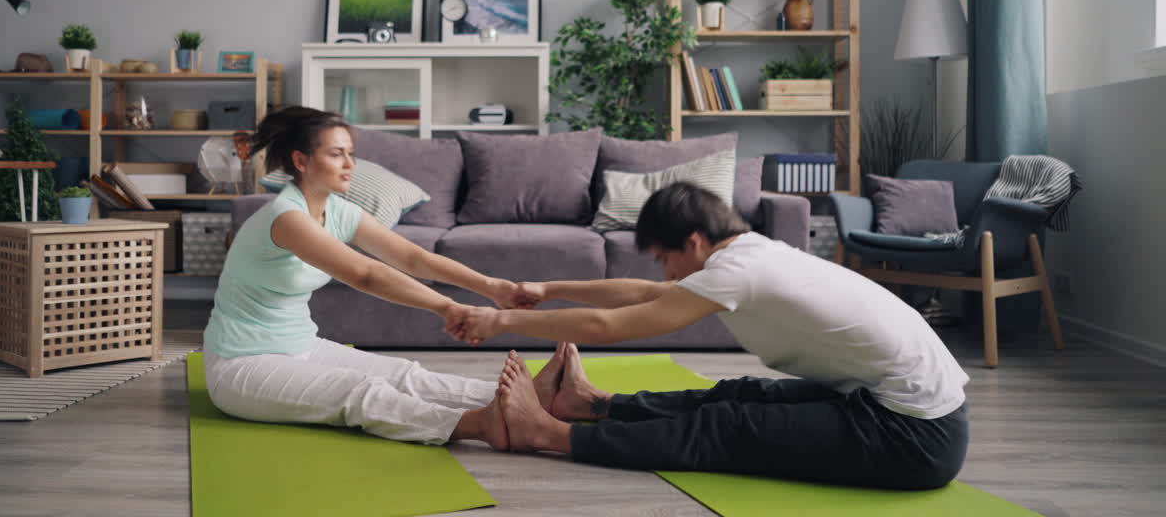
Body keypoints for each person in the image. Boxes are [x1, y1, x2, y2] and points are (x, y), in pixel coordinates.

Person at [449, 182, 971, 490]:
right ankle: (593, 406)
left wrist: (501, 321)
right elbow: (642, 293)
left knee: (728, 427)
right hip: (895, 406)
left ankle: (548, 433)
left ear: (694, 242)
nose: (665, 273)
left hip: (915, 434)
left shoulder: (736, 271)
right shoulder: (749, 254)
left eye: (665, 258)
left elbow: (607, 326)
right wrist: (548, 288)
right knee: (738, 395)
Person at [201, 106, 562, 448]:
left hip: (303, 347)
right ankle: (482, 424)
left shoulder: (336, 210)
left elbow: (412, 257)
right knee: (361, 391)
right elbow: (365, 274)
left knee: (406, 376)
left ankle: (534, 399)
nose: (350, 165)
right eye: (337, 154)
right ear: (302, 161)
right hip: (242, 364)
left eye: (351, 154)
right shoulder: (287, 217)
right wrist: (447, 307)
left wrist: (493, 288)